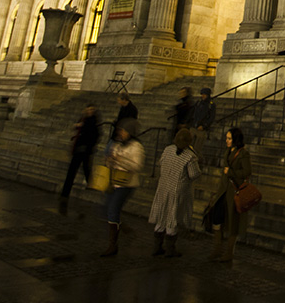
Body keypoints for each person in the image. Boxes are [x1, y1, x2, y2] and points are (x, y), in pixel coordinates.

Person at [149, 128, 201, 257]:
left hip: (164, 186)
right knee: (172, 217)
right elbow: (194, 174)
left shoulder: (168, 150)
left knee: (162, 217)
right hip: (177, 190)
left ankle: (157, 246)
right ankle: (170, 249)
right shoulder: (190, 156)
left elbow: (161, 163)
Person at [205, 127, 251, 263]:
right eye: (226, 138)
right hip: (223, 191)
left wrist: (231, 172)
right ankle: (217, 248)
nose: (226, 140)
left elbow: (247, 172)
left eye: (229, 138)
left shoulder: (243, 154)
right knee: (217, 219)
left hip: (234, 192)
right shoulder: (227, 151)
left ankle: (229, 252)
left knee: (232, 222)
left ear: (235, 139)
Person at [101, 117, 144, 257]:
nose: (121, 133)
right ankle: (120, 226)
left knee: (113, 209)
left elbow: (137, 166)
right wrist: (110, 160)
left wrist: (122, 160)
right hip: (114, 181)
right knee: (108, 208)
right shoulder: (118, 144)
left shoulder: (136, 147)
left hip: (127, 183)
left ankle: (112, 244)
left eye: (124, 131)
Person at [60, 104, 100, 198]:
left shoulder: (93, 122)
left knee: (82, 168)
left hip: (85, 149)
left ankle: (89, 185)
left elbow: (93, 135)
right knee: (78, 168)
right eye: (88, 109)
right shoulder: (84, 119)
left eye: (91, 109)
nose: (89, 111)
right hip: (80, 148)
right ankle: (66, 192)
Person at [188, 87, 216, 158]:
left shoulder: (211, 104)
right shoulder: (199, 103)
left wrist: (204, 126)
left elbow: (211, 117)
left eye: (204, 94)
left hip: (201, 129)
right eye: (202, 94)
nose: (203, 96)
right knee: (189, 146)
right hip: (194, 126)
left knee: (197, 148)